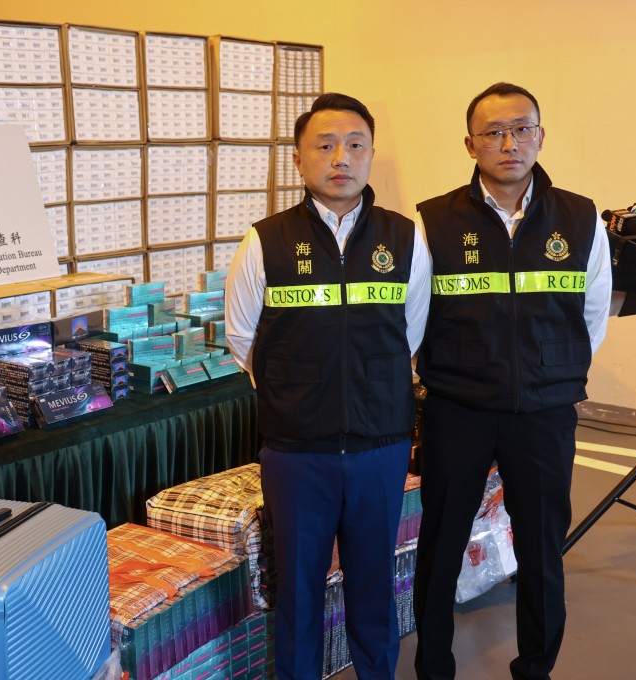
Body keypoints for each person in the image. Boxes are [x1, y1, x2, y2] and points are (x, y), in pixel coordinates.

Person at [225, 92, 431, 680]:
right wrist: (299, 394)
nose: (341, 156)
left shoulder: (405, 239)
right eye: (324, 144)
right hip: (297, 451)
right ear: (298, 158)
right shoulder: (264, 242)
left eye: (355, 144)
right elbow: (244, 339)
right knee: (297, 587)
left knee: (374, 582)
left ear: (370, 155)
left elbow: (411, 333)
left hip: (380, 445)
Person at [412, 82, 612, 680]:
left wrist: (548, 371)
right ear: (469, 144)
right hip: (458, 408)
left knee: (543, 549)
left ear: (541, 136)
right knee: (441, 546)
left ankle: (535, 668)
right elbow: (414, 317)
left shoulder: (578, 216)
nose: (509, 142)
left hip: (544, 413)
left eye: (522, 128)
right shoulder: (435, 221)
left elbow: (593, 313)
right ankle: (434, 667)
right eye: (494, 131)